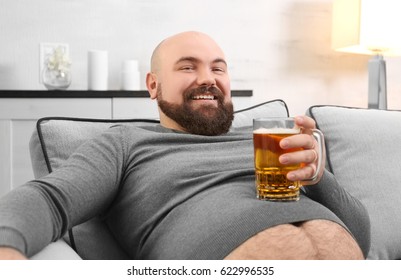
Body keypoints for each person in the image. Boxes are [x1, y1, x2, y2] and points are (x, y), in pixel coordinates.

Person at [0, 31, 370, 260]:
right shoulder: (126, 144)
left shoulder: (270, 142)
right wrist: (8, 250)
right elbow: (48, 200)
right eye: (188, 67)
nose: (207, 79)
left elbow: (362, 237)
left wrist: (317, 176)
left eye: (218, 68)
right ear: (153, 85)